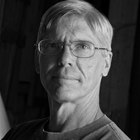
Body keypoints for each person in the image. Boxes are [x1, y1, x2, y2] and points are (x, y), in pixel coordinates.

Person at [2, 0, 130, 139]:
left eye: (82, 46)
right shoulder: (16, 136)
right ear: (37, 60)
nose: (64, 59)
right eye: (53, 45)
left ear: (106, 64)